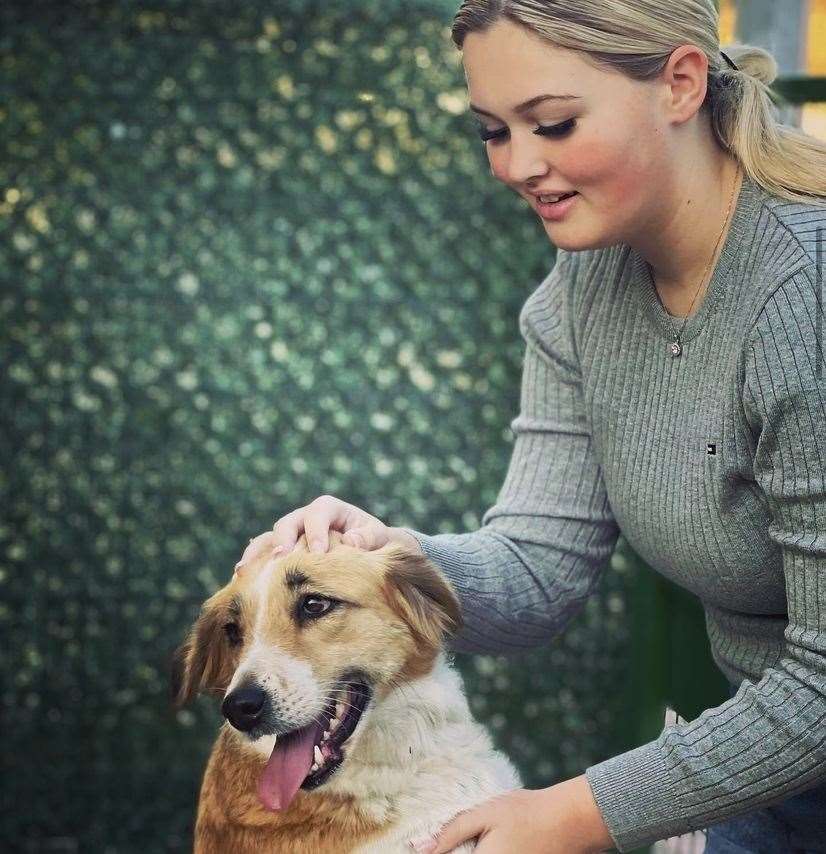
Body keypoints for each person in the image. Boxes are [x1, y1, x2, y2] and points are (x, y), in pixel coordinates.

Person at [234, 1, 826, 851]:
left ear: (681, 85)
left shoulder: (803, 295)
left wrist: (578, 813)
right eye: (492, 131)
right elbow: (537, 571)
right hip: (775, 772)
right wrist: (389, 560)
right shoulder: (582, 291)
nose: (517, 165)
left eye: (552, 123)